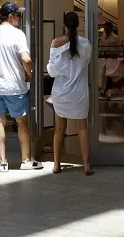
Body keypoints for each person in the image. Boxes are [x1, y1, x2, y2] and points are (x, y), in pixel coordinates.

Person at [0, 2, 44, 172]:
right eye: (18, 15)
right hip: (15, 86)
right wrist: (29, 74)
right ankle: (26, 160)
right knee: (22, 122)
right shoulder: (18, 34)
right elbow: (26, 59)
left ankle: (3, 162)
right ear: (10, 17)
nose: (20, 19)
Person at [47, 12, 94, 176]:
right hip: (80, 93)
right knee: (82, 128)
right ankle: (86, 165)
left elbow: (52, 72)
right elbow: (85, 62)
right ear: (78, 25)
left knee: (59, 129)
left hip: (61, 93)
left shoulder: (56, 43)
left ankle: (56, 165)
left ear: (64, 25)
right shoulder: (86, 43)